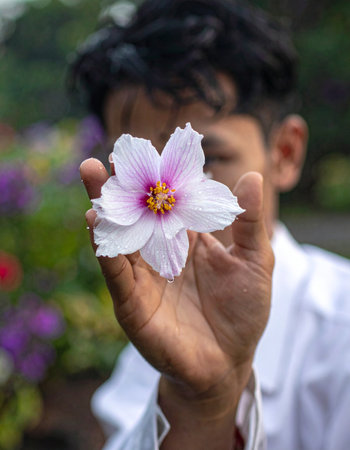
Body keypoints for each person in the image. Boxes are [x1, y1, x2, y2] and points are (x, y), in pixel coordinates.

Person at [73, 0, 350, 448]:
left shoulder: (343, 331)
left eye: (212, 159)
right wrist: (197, 400)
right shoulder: (145, 355)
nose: (168, 195)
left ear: (285, 153)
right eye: (126, 167)